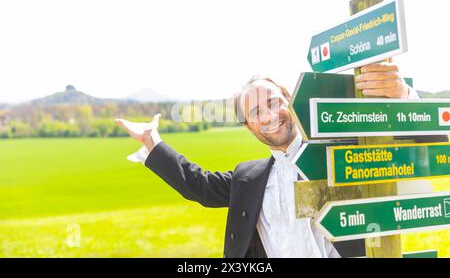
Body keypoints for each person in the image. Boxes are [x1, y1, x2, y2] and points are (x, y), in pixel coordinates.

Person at [115, 62, 418, 258]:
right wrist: (151, 142)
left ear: (289, 100)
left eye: (274, 102)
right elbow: (200, 186)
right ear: (249, 126)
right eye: (257, 112)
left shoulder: (340, 152)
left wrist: (402, 94)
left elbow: (412, 147)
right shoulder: (249, 178)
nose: (270, 116)